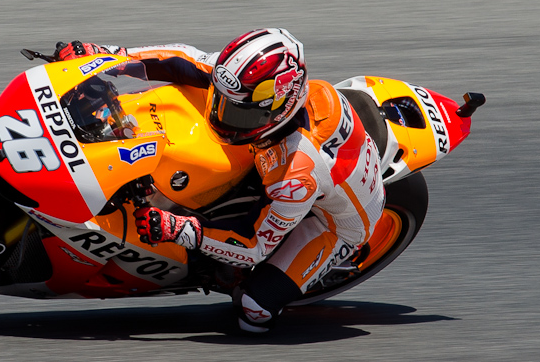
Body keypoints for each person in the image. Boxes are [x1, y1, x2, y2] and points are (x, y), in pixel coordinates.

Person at [54, 30, 385, 334]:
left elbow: (255, 246)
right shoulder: (249, 85)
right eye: (223, 103)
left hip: (335, 224)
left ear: (280, 108)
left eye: (239, 113)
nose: (224, 118)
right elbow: (181, 59)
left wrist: (179, 228)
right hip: (293, 160)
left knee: (254, 311)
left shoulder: (295, 175)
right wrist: (107, 57)